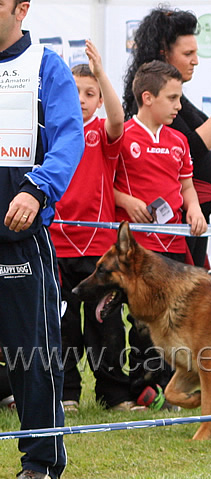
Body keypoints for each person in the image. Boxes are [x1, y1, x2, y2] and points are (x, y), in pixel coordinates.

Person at [0, 1, 85, 477]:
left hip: (18, 236)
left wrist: (37, 189)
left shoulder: (45, 68)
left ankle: (41, 461)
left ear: (22, 8)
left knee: (30, 355)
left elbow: (69, 139)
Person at [122, 7, 211, 267]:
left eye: (196, 53)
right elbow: (189, 149)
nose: (196, 60)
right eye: (188, 54)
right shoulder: (150, 110)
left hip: (193, 212)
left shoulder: (179, 103)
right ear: (164, 53)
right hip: (174, 218)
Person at [48, 40, 136, 413]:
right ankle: (67, 392)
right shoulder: (50, 132)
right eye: (75, 91)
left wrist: (100, 72)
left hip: (99, 249)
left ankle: (114, 393)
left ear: (99, 99)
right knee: (63, 325)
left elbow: (119, 119)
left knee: (107, 325)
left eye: (90, 93)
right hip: (57, 245)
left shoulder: (101, 133)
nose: (82, 99)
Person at [115, 60, 208, 403]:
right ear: (147, 97)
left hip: (172, 244)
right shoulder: (123, 136)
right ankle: (142, 386)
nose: (179, 106)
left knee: (175, 320)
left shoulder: (179, 140)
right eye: (172, 98)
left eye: (180, 97)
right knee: (142, 321)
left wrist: (195, 209)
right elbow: (102, 186)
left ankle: (173, 386)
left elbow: (186, 186)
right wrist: (126, 200)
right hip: (138, 249)